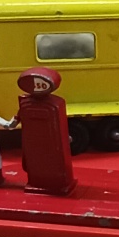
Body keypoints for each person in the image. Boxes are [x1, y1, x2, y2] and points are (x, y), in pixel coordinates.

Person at [16, 66, 74, 196]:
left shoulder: (54, 105)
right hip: (35, 147)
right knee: (37, 165)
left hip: (51, 147)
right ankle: (38, 182)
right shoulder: (26, 104)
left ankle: (54, 183)